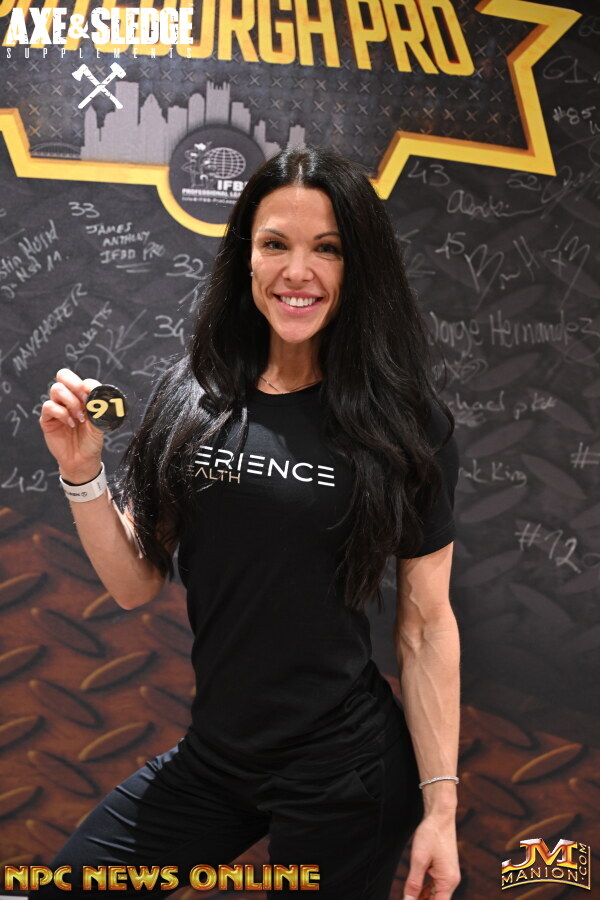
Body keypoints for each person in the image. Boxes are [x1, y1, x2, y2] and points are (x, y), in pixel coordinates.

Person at [38, 147, 461, 900]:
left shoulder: (403, 423)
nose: (298, 272)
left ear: (358, 265)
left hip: (345, 772)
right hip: (219, 757)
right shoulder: (193, 395)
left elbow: (426, 626)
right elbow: (136, 584)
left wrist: (442, 807)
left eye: (327, 248)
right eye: (275, 244)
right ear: (246, 257)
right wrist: (82, 471)